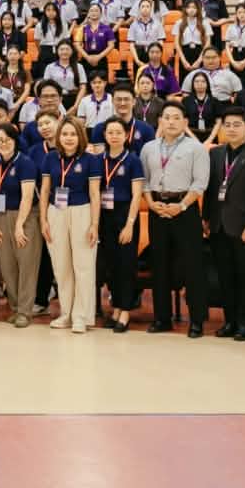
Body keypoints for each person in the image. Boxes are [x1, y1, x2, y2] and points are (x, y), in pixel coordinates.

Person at [141, 104, 208, 337]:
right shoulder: (149, 148)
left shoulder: (196, 148)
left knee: (192, 266)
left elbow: (200, 183)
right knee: (159, 265)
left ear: (185, 122)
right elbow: (144, 180)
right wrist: (151, 203)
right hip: (157, 209)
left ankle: (197, 320)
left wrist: (181, 206)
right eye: (167, 117)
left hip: (185, 210)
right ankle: (162, 318)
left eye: (176, 118)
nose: (171, 122)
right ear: (160, 121)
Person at [205, 111, 245, 341]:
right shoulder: (215, 153)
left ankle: (244, 323)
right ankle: (229, 321)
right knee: (225, 276)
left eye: (237, 125)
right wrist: (206, 217)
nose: (231, 129)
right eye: (228, 125)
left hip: (244, 226)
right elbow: (210, 189)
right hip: (218, 225)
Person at [39, 118, 101, 333]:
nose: (68, 138)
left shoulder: (91, 160)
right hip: (56, 212)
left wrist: (94, 224)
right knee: (61, 265)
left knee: (83, 265)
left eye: (73, 134)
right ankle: (66, 313)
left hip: (82, 212)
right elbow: (45, 190)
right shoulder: (50, 158)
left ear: (80, 137)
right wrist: (43, 220)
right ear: (59, 137)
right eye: (64, 134)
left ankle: (81, 316)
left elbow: (95, 194)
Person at [94, 118, 143, 332]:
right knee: (111, 265)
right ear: (105, 135)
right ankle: (115, 307)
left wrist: (130, 224)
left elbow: (137, 195)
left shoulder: (133, 160)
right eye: (110, 132)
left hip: (125, 215)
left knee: (126, 264)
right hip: (104, 215)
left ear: (126, 135)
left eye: (118, 132)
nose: (114, 136)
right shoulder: (98, 160)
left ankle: (125, 310)